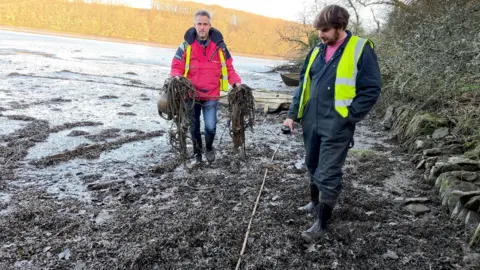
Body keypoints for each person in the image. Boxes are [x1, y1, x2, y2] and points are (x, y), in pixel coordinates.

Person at [283, 5, 381, 242]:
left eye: (325, 30)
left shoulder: (360, 49)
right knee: (312, 164)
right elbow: (303, 85)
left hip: (338, 124)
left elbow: (371, 89)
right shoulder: (317, 50)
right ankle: (314, 202)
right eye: (319, 30)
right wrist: (291, 115)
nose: (321, 35)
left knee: (328, 172)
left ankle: (322, 220)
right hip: (311, 120)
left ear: (341, 27)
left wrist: (349, 116)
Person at [170, 10, 242, 164]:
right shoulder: (185, 46)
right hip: (190, 96)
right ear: (194, 25)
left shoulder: (220, 48)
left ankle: (208, 147)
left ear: (210, 26)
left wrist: (236, 82)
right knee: (193, 128)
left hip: (211, 96)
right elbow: (176, 66)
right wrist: (176, 76)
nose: (202, 27)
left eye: (205, 24)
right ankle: (197, 154)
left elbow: (229, 69)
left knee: (211, 127)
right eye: (199, 24)